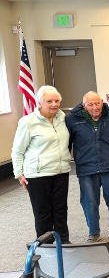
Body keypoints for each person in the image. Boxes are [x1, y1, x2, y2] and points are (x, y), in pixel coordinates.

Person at [66, 91, 109, 242]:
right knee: (89, 201)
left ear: (102, 102)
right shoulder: (71, 120)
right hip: (86, 167)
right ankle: (93, 232)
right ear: (84, 105)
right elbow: (66, 144)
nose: (94, 107)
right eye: (90, 104)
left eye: (97, 103)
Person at [11, 85, 72, 244]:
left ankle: (63, 242)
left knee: (60, 209)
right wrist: (19, 173)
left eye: (57, 101)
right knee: (42, 212)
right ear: (39, 103)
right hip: (38, 174)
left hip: (61, 171)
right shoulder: (28, 122)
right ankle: (46, 245)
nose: (54, 104)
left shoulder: (62, 118)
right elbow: (17, 150)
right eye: (49, 101)